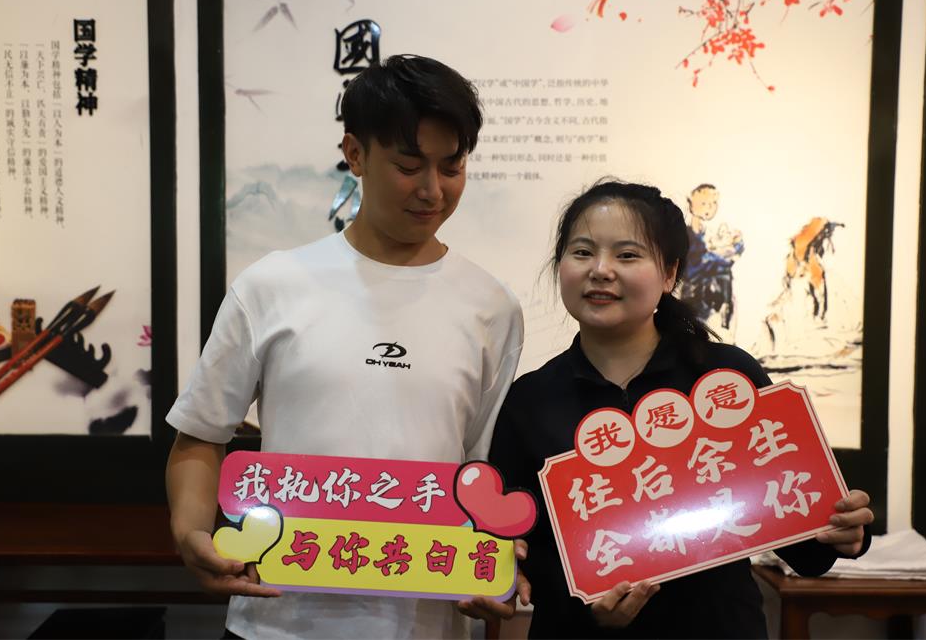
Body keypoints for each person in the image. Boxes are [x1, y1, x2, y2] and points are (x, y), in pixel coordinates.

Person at [165, 55, 525, 639]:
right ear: (355, 154)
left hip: (424, 623)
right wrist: (190, 534)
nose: (432, 190)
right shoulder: (272, 285)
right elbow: (200, 435)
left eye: (452, 167)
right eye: (408, 166)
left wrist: (495, 564)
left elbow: (482, 470)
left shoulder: (492, 306)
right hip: (274, 622)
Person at [488, 179, 873, 638]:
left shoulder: (726, 378)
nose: (601, 270)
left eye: (627, 255)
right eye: (583, 252)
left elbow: (808, 551)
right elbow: (519, 553)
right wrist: (585, 611)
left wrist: (846, 531)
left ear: (669, 274)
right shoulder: (530, 400)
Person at [681, 183, 743, 336]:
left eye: (713, 203)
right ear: (691, 204)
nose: (709, 208)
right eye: (704, 203)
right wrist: (724, 255)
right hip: (695, 293)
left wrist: (734, 247)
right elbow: (696, 264)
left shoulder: (708, 233)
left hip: (713, 293)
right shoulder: (687, 235)